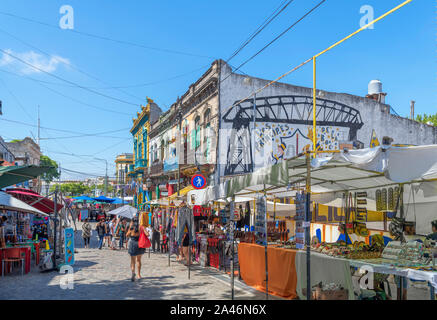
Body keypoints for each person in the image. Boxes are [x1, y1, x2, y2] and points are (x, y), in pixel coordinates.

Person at [126, 216, 148, 281]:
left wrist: (130, 233)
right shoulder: (141, 227)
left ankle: (133, 273)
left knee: (133, 261)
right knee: (138, 260)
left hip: (132, 243)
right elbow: (147, 234)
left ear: (132, 221)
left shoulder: (131, 228)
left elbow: (127, 235)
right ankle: (139, 274)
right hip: (139, 244)